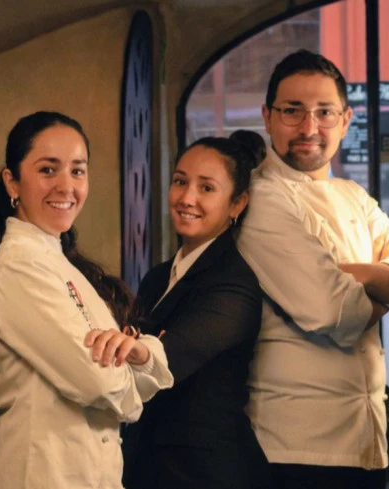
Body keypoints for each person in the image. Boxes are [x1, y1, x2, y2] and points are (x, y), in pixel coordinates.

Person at [235, 49, 389, 489]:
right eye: (292, 111)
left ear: (346, 119)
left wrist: (360, 275)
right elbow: (330, 310)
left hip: (365, 438)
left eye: (324, 112)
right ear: (267, 116)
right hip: (295, 446)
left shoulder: (353, 195)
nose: (308, 128)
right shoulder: (261, 198)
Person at [0, 111, 173, 489]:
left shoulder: (62, 264)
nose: (66, 186)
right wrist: (135, 380)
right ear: (11, 181)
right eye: (48, 170)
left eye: (78, 171)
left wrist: (140, 354)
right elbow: (99, 383)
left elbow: (127, 369)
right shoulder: (17, 268)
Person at [122, 131, 270, 489]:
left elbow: (168, 359)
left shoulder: (234, 285)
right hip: (153, 464)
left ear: (237, 204)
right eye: (180, 182)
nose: (187, 198)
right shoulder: (159, 276)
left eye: (206, 188)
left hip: (206, 470)